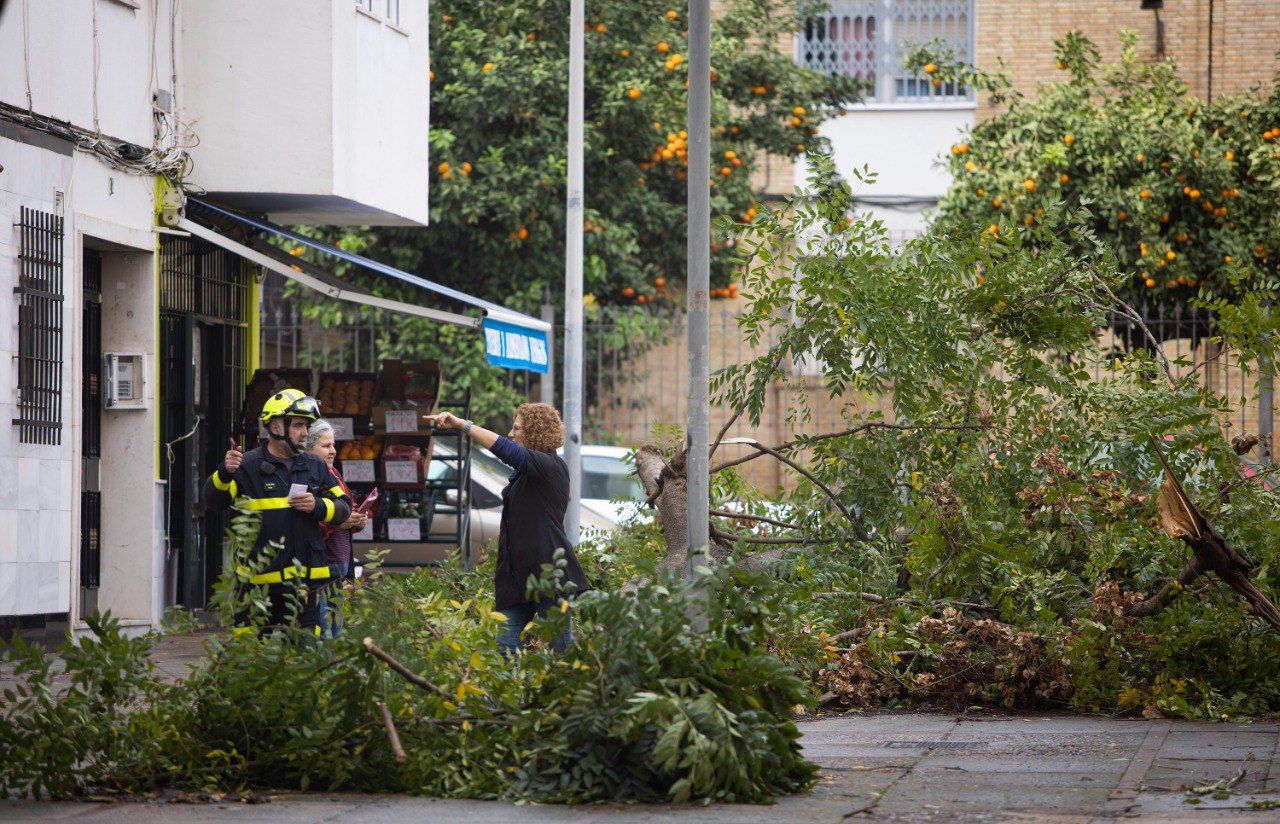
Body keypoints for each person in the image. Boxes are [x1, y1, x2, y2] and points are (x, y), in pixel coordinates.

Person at [424, 403, 589, 656]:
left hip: (549, 575)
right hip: (516, 579)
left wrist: (462, 425)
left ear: (534, 432)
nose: (511, 433)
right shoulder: (527, 473)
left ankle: (575, 682)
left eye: (517, 428)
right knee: (504, 651)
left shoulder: (550, 466)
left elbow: (505, 449)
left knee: (561, 652)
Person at [202, 389, 351, 635]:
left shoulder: (315, 465)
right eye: (299, 425)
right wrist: (224, 473)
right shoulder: (247, 466)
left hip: (304, 590)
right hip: (256, 591)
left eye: (307, 426)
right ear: (275, 427)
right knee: (249, 653)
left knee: (304, 654)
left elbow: (344, 508)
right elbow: (214, 502)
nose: (305, 432)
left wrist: (317, 506)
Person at [304, 419, 369, 639]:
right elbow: (304, 523)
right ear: (308, 448)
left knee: (336, 628)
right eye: (326, 446)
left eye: (333, 445)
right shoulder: (306, 478)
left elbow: (346, 508)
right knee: (324, 628)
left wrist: (356, 521)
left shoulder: (334, 474)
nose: (333, 451)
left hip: (339, 564)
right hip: (321, 564)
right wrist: (339, 522)